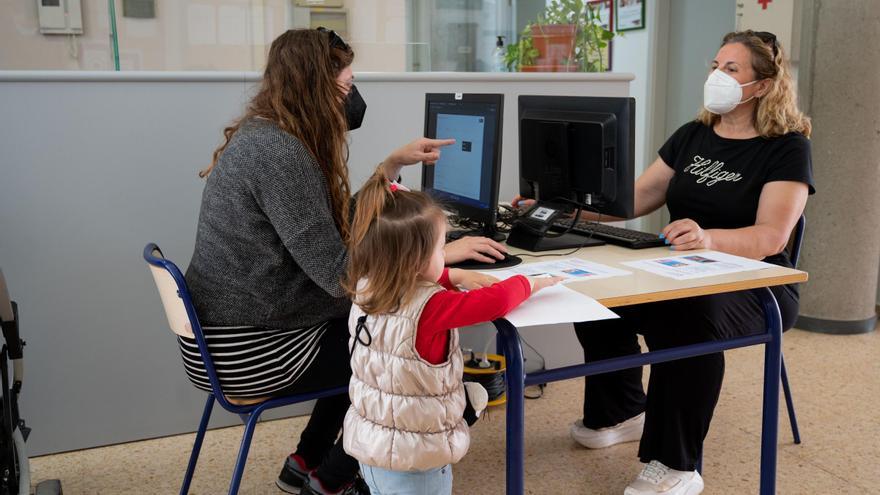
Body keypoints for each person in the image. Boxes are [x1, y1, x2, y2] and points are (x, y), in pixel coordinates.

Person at [182, 29, 506, 495]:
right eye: (347, 85)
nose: (353, 96)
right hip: (248, 351)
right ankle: (333, 478)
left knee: (360, 331)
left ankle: (307, 462)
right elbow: (339, 276)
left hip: (230, 333)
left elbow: (325, 230)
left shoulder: (267, 136)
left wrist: (387, 170)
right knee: (387, 348)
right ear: (319, 87)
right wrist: (434, 257)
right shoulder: (279, 155)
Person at [515, 30, 813, 495]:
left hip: (758, 283)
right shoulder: (694, 135)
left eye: (731, 69)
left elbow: (770, 237)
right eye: (716, 65)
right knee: (599, 300)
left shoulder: (787, 147)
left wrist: (707, 237)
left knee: (690, 318)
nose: (717, 75)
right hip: (682, 269)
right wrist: (560, 208)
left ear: (764, 84)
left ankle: (677, 464)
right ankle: (621, 411)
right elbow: (634, 198)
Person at [342, 171, 562, 494]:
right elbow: (497, 300)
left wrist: (452, 275)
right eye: (441, 249)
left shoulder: (366, 285)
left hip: (372, 450)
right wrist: (530, 282)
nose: (444, 256)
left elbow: (412, 287)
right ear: (415, 260)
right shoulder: (432, 309)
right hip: (416, 464)